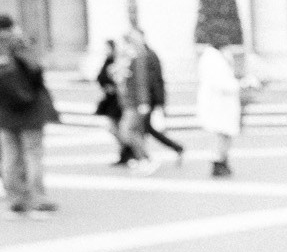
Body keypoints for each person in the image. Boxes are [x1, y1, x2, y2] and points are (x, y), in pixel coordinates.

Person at [0, 16, 60, 218]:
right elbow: (36, 71)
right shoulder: (19, 43)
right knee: (33, 155)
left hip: (5, 112)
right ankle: (37, 198)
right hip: (29, 110)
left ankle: (16, 198)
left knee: (9, 156)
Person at [119, 28, 181, 172]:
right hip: (134, 101)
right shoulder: (132, 54)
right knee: (137, 130)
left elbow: (143, 81)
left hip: (139, 101)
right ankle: (143, 157)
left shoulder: (142, 55)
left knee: (130, 130)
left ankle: (145, 158)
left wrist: (146, 102)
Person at [195, 42, 246, 178]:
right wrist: (239, 85)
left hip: (223, 103)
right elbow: (221, 83)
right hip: (218, 103)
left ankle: (222, 160)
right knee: (221, 134)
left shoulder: (217, 57)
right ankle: (219, 162)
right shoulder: (213, 59)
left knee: (225, 133)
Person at [92, 40, 129, 165]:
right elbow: (100, 77)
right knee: (115, 128)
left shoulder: (116, 61)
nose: (105, 51)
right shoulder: (107, 61)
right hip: (110, 99)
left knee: (117, 128)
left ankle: (127, 150)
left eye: (107, 48)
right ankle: (124, 151)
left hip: (116, 99)